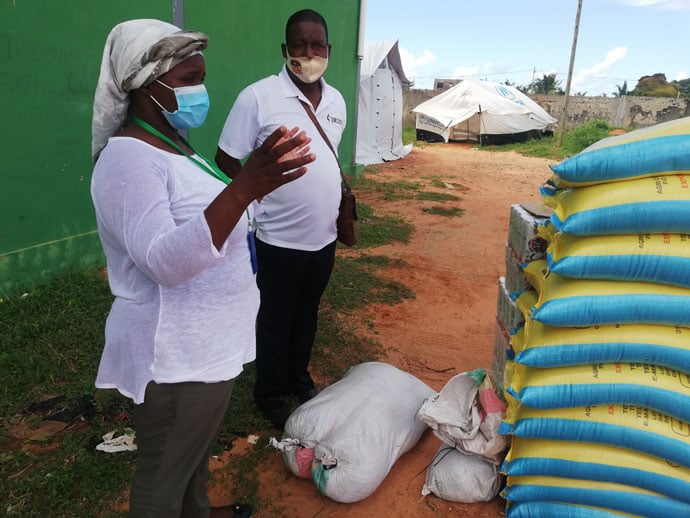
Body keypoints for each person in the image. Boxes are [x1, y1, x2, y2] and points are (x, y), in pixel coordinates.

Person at [90, 19, 314, 518]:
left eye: (201, 76)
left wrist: (251, 192)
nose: (200, 89)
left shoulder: (176, 144)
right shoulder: (128, 159)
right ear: (147, 84)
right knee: (161, 479)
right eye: (189, 78)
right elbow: (164, 261)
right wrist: (243, 188)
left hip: (207, 347)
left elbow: (212, 221)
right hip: (175, 356)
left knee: (191, 460)